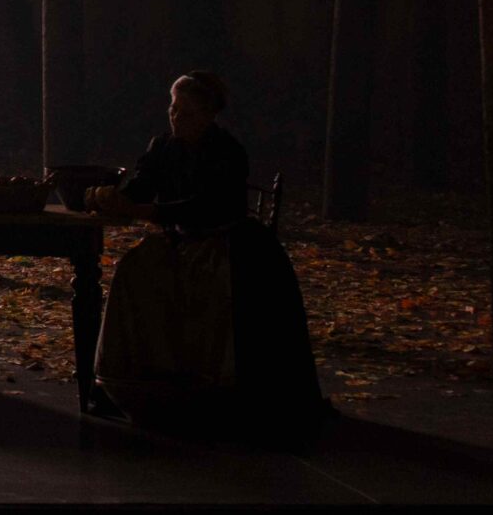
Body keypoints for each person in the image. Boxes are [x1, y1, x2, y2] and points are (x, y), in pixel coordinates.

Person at [88, 71, 325, 443]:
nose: (175, 117)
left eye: (186, 111)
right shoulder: (162, 146)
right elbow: (141, 187)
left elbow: (206, 206)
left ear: (208, 115)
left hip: (225, 240)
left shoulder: (227, 152)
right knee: (134, 269)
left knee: (213, 284)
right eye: (173, 107)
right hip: (178, 241)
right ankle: (135, 381)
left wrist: (150, 212)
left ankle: (211, 390)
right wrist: (112, 197)